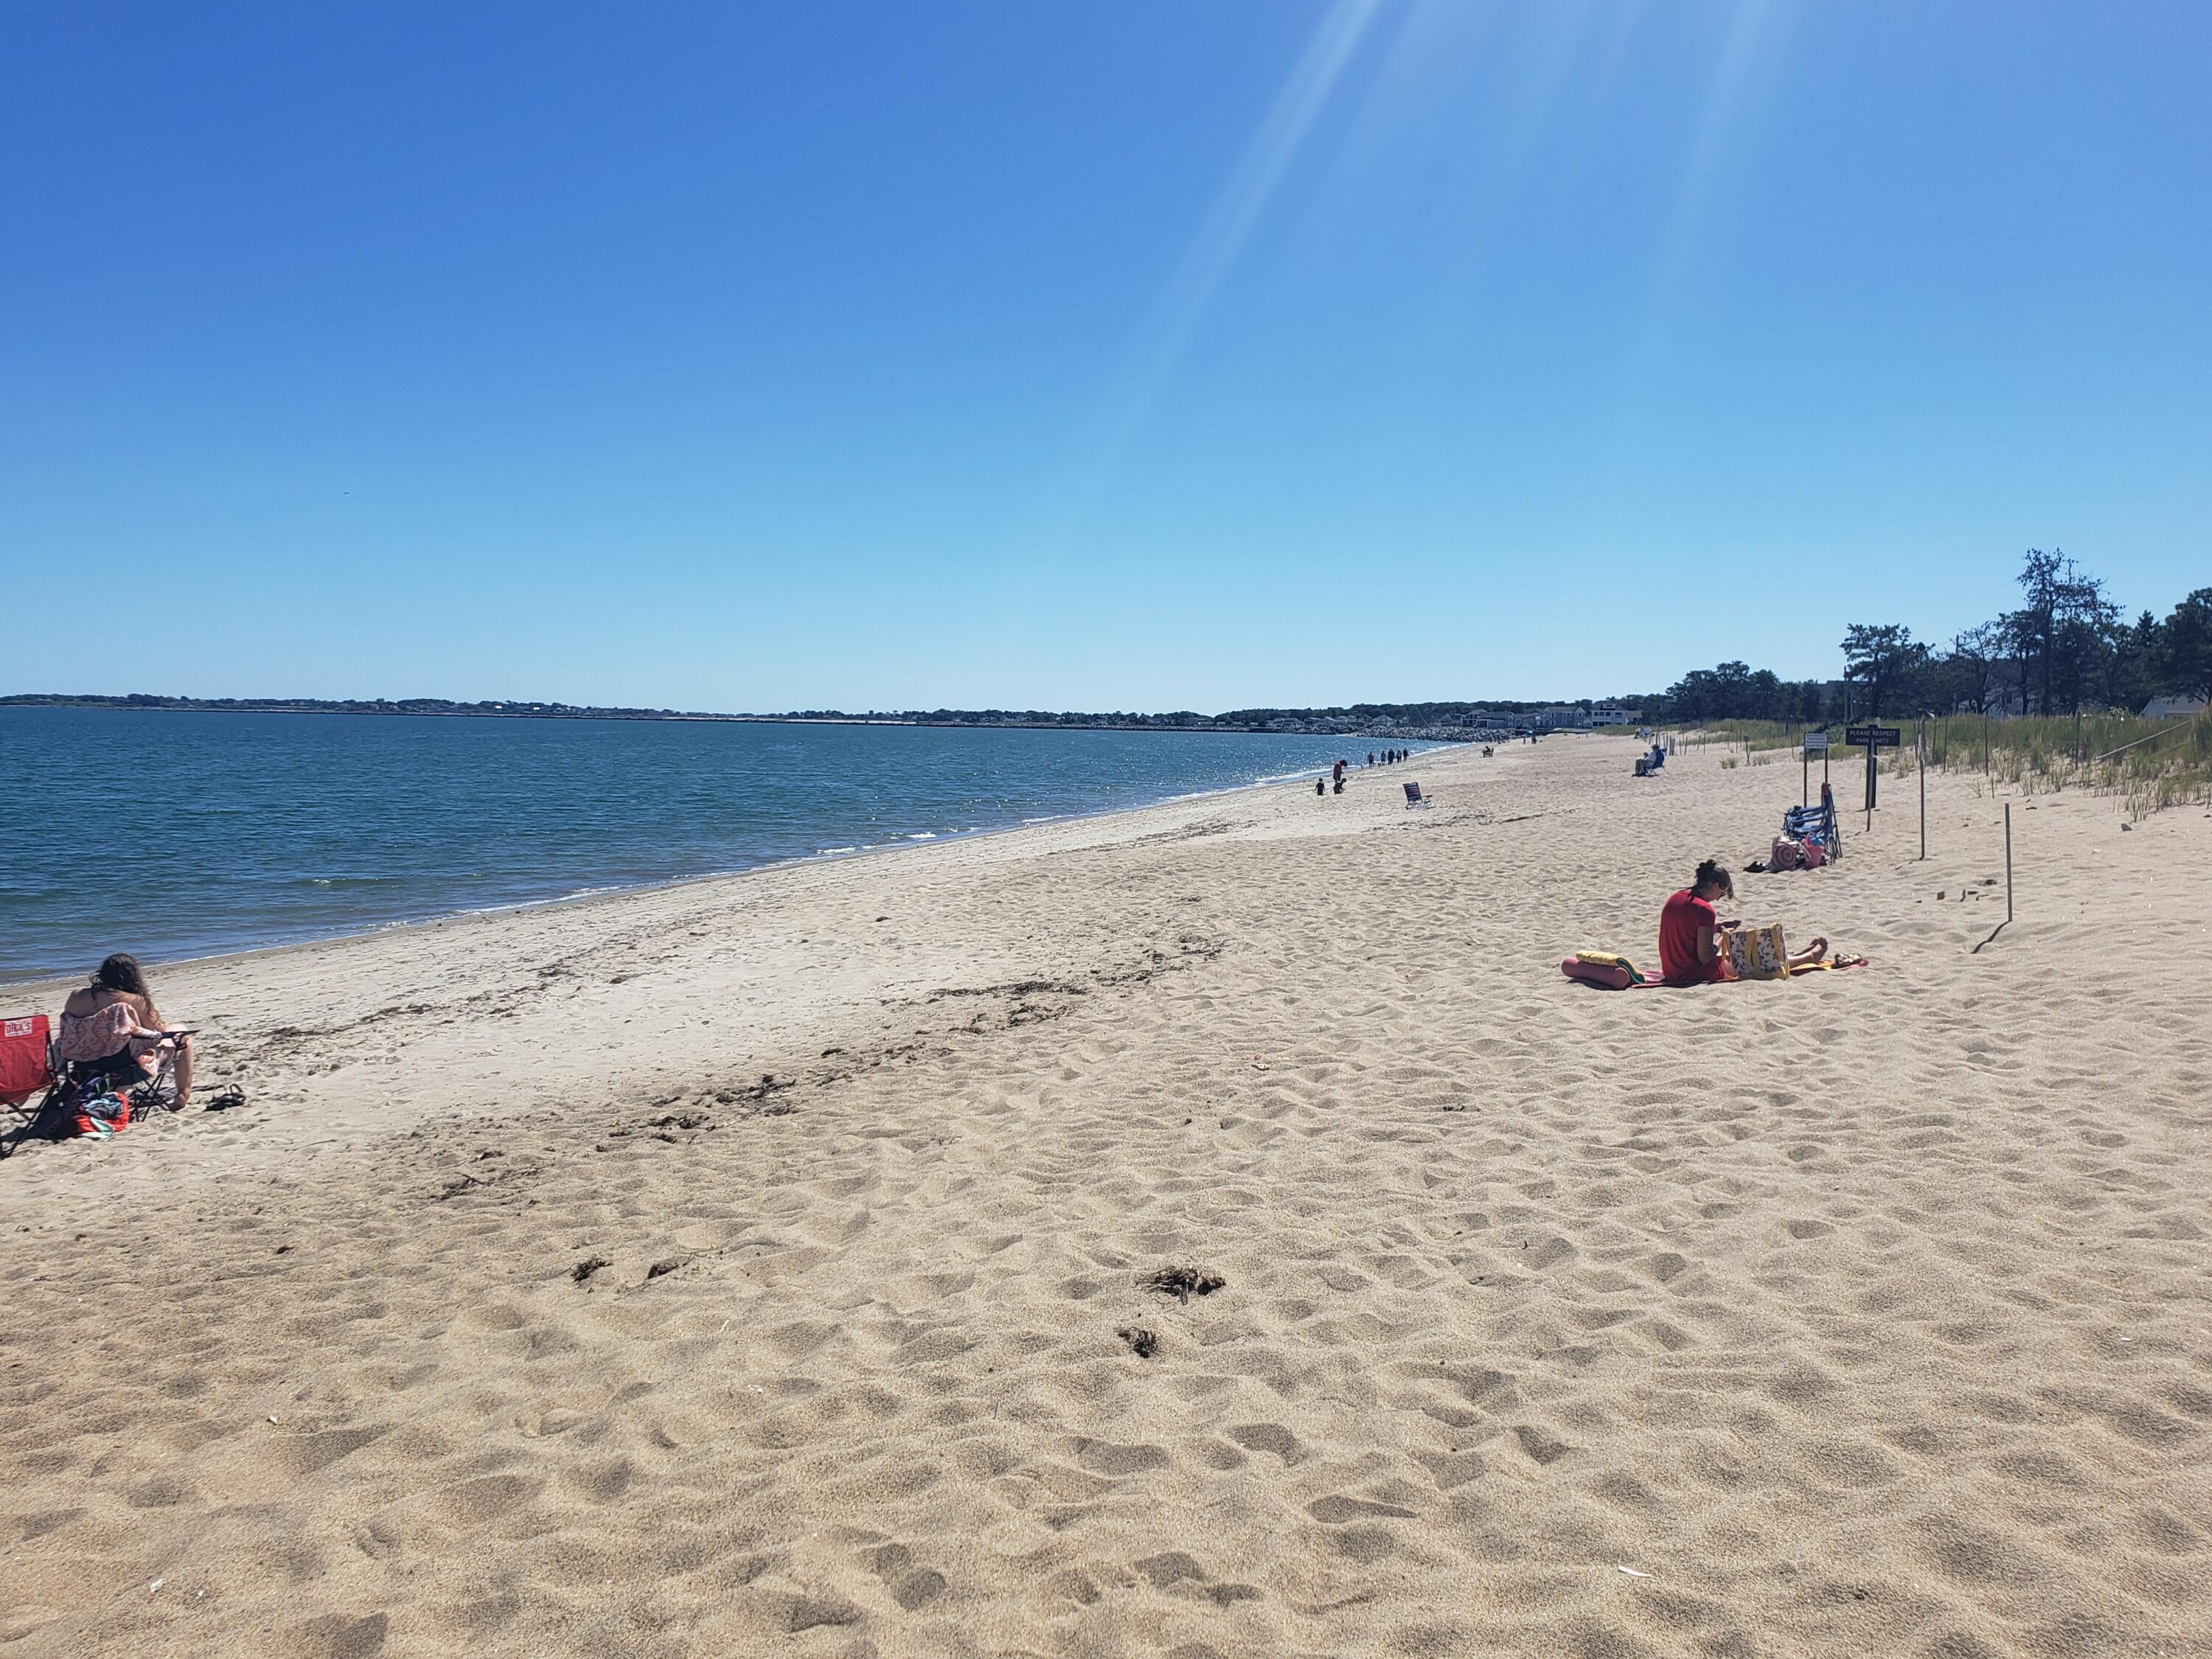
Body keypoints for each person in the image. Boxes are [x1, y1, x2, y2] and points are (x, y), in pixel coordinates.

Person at [1658, 860, 1827, 987]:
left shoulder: (1676, 898)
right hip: (1693, 974)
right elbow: (1704, 957)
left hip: (1672, 970)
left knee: (1744, 953)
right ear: (1715, 885)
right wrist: (1724, 937)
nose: (1719, 898)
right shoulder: (1704, 909)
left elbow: (1687, 930)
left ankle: (1795, 955)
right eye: (1722, 893)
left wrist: (1716, 928)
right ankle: (1809, 957)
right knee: (1757, 960)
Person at [58, 954, 192, 1101]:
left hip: (83, 1069)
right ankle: (182, 1094)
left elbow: (67, 1029)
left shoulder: (76, 996)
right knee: (182, 1033)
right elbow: (160, 1030)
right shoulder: (134, 1000)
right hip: (125, 1070)